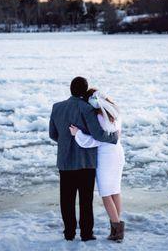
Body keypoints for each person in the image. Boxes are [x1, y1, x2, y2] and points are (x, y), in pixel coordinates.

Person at [49, 77, 118, 242]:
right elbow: (98, 134)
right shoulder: (87, 108)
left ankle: (69, 233)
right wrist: (114, 136)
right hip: (86, 162)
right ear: (84, 90)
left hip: (65, 161)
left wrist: (66, 142)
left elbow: (53, 134)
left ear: (70, 89)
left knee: (67, 200)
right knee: (85, 200)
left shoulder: (57, 107)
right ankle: (86, 234)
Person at [69, 88, 125, 242]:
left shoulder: (98, 117)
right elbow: (115, 135)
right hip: (118, 153)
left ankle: (118, 231)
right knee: (115, 191)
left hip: (106, 157)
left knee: (106, 194)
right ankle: (115, 229)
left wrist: (77, 135)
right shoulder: (115, 113)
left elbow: (96, 140)